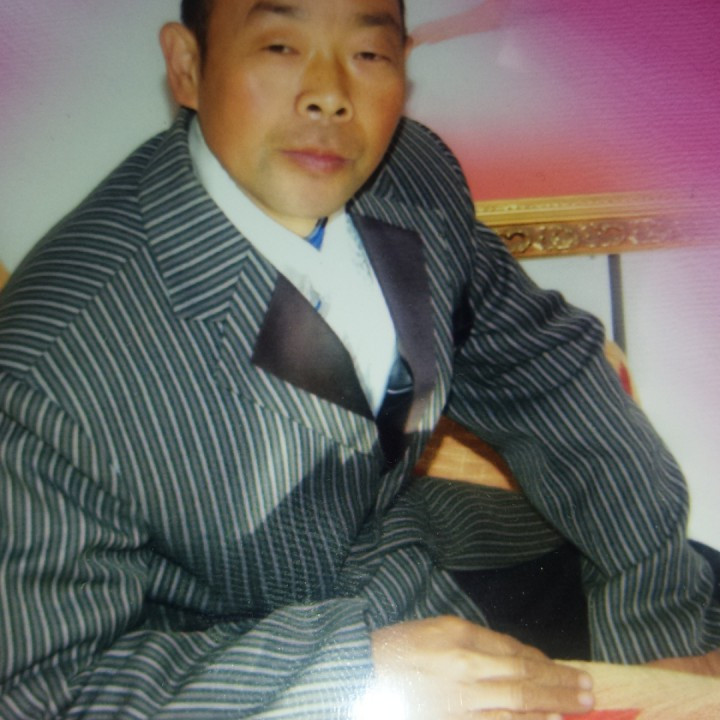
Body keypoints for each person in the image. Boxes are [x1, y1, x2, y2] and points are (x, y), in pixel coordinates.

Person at [0, 0, 718, 718]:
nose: (330, 95)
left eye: (368, 54)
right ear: (188, 66)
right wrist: (357, 676)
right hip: (236, 668)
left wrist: (653, 631)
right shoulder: (48, 362)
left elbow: (548, 377)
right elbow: (43, 689)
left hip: (436, 556)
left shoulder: (413, 175)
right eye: (280, 47)